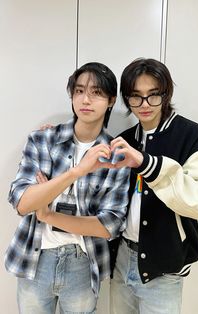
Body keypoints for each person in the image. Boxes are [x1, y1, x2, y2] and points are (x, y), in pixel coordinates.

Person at [4, 62, 130, 314]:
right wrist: (77, 171)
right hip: (35, 257)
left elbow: (109, 226)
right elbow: (23, 202)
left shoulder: (117, 156)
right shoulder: (43, 140)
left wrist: (49, 214)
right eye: (79, 91)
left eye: (96, 93)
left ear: (110, 100)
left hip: (83, 262)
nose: (86, 99)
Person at [108, 58, 198, 314]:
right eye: (135, 97)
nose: (144, 105)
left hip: (165, 267)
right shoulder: (125, 141)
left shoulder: (192, 136)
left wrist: (149, 165)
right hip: (121, 260)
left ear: (166, 94)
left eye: (153, 96)